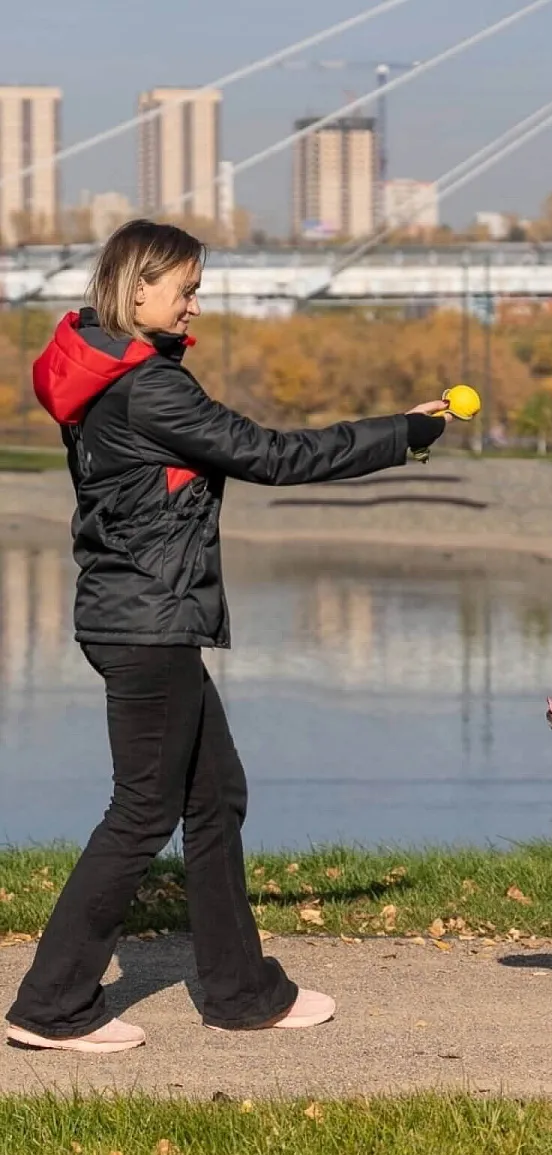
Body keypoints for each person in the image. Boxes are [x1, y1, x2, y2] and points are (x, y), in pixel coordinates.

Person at [5, 219, 451, 1054]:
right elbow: (273, 455)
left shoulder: (103, 370)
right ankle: (51, 1006)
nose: (195, 299)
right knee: (142, 812)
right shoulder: (149, 390)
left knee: (214, 797)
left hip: (133, 614)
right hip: (149, 623)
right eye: (186, 285)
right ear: (136, 287)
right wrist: (402, 432)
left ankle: (244, 993)